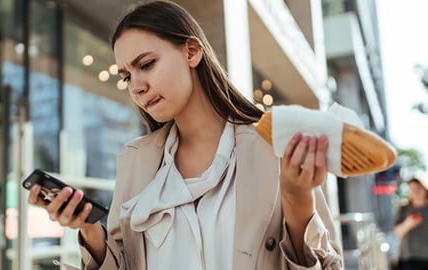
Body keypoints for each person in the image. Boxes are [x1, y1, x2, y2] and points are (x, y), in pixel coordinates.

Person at [28, 1, 342, 269]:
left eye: (147, 64)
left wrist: (299, 203)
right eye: (127, 77)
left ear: (191, 52)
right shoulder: (135, 161)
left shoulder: (273, 145)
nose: (136, 86)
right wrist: (90, 231)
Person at [393, 176, 428, 270]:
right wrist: (409, 223)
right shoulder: (404, 209)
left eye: (418, 188)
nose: (416, 192)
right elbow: (397, 232)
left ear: (424, 189)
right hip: (409, 257)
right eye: (412, 189)